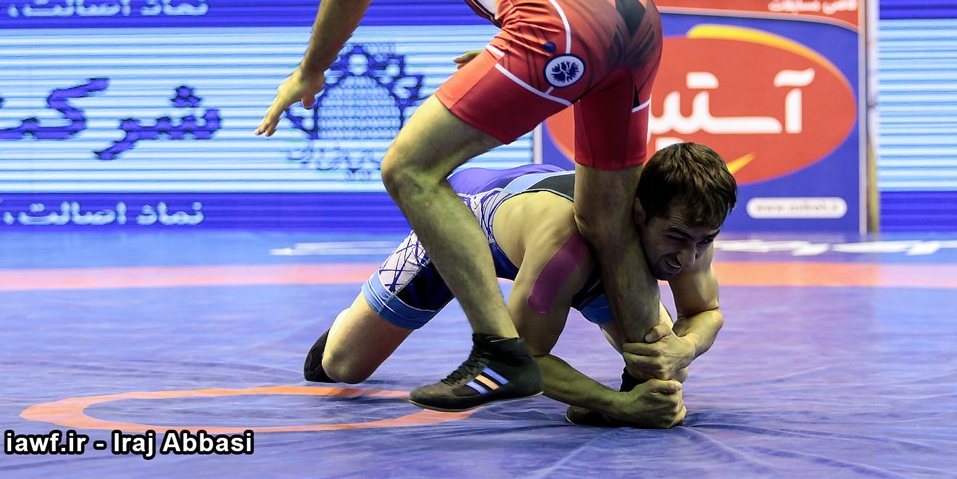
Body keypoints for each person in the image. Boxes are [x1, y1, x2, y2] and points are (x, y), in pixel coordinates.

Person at [255, 0, 668, 412]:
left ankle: (499, 351)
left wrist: (310, 71)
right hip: (634, 20)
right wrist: (539, 38)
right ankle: (657, 381)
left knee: (409, 169)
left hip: (555, 28)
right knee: (608, 217)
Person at [303, 142, 738, 427]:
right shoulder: (566, 250)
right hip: (467, 220)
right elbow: (523, 358)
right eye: (677, 238)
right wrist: (617, 404)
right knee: (339, 368)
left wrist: (686, 347)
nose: (688, 258)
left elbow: (704, 311)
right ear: (641, 214)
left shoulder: (690, 228)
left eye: (704, 241)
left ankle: (630, 389)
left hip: (542, 209)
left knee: (666, 356)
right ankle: (354, 320)